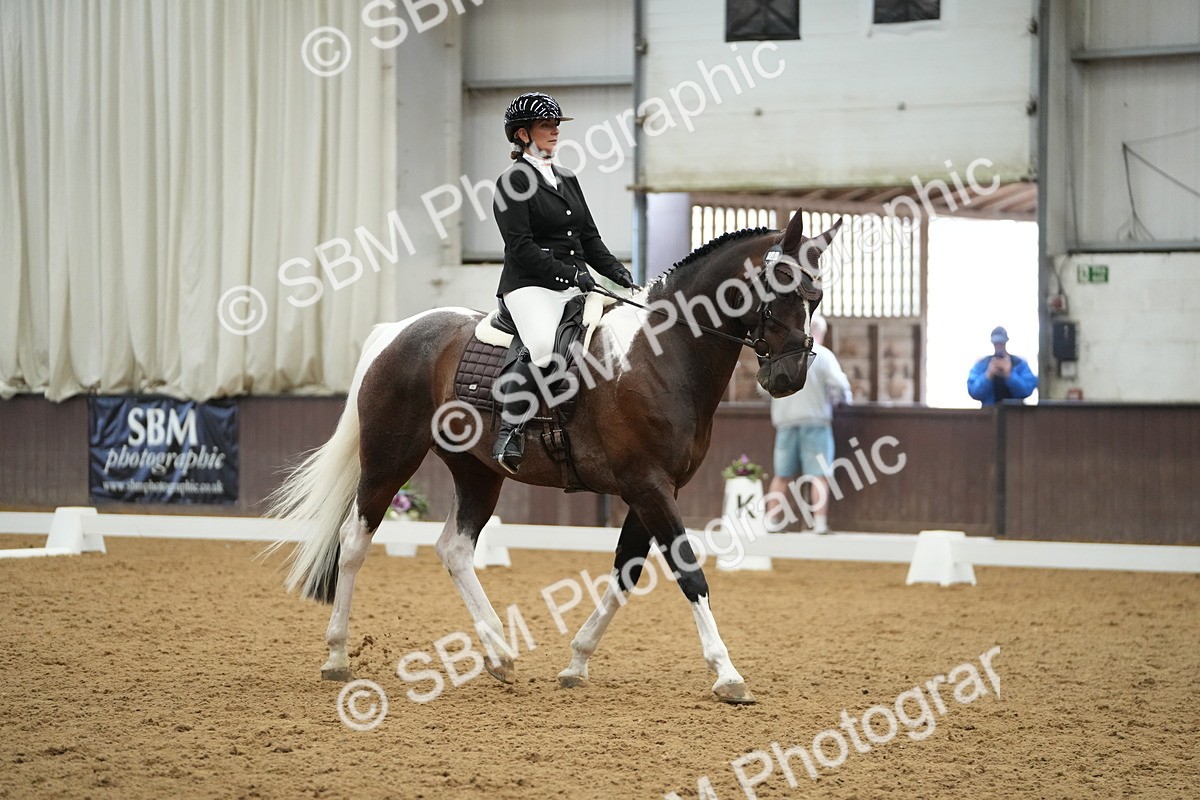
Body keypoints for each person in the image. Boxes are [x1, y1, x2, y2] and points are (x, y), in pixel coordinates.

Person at [490, 92, 635, 474]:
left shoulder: (567, 179)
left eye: (556, 125)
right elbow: (520, 247)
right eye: (545, 126)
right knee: (541, 344)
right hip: (529, 286)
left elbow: (589, 237)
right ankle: (511, 430)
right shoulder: (512, 183)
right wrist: (571, 274)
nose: (554, 131)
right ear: (523, 135)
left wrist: (619, 273)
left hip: (572, 283)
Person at [763, 314, 852, 534]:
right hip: (815, 422)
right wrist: (843, 399)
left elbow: (764, 386)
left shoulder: (784, 355)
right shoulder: (823, 355)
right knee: (819, 474)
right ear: (821, 332)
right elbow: (839, 384)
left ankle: (771, 521)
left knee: (782, 475)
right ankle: (819, 524)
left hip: (785, 422)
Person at [967, 326, 1037, 406]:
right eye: (996, 343)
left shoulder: (1019, 363)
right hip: (989, 415)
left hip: (1015, 415)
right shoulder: (982, 364)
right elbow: (974, 392)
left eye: (1001, 343)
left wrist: (1009, 375)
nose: (998, 345)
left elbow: (1027, 390)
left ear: (1006, 342)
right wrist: (988, 375)